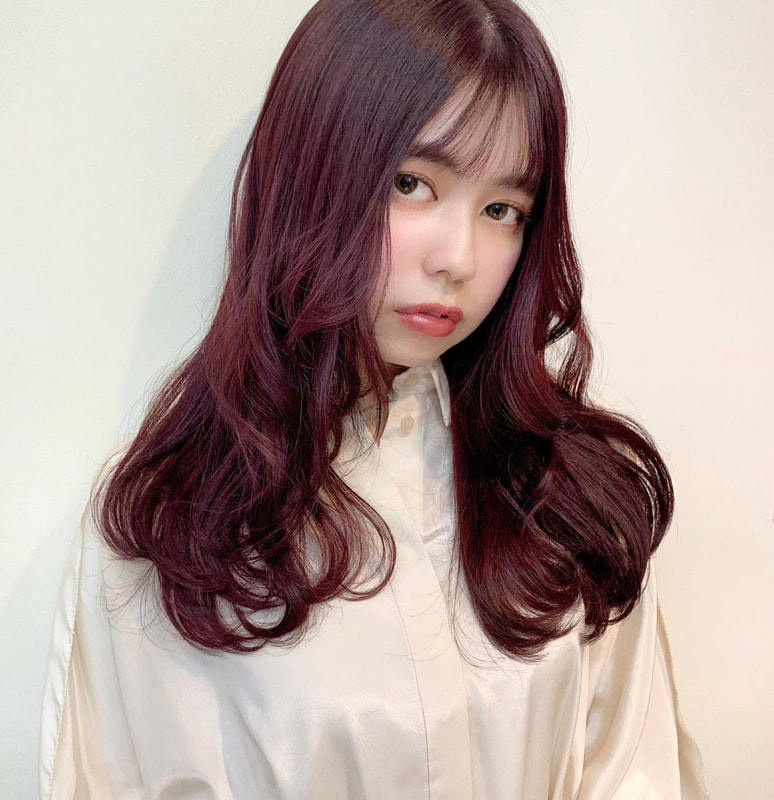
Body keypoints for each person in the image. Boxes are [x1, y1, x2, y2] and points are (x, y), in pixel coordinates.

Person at [38, 0, 709, 797]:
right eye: (412, 184)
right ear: (312, 174)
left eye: (502, 210)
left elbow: (637, 773)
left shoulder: (567, 499)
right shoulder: (166, 521)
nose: (458, 258)